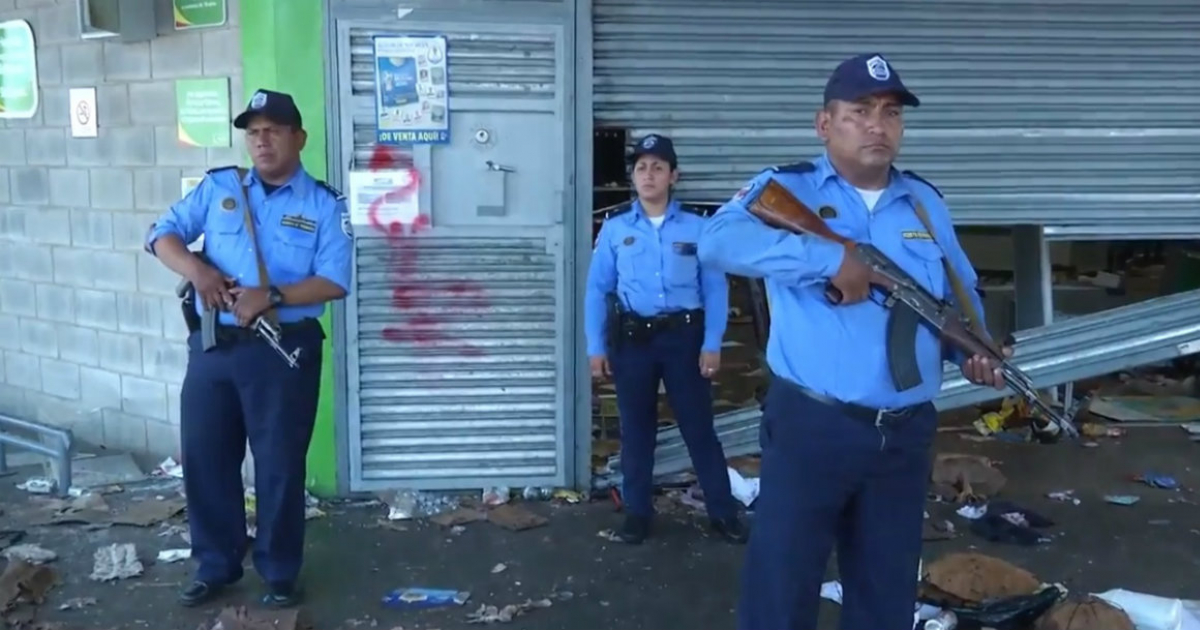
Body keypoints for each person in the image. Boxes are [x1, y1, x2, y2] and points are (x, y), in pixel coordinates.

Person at [697, 54, 1010, 630]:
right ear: (824, 124)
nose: (877, 125)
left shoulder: (922, 202)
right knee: (782, 591)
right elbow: (717, 242)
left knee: (884, 596)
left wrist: (975, 348)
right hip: (813, 428)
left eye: (891, 113)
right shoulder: (784, 187)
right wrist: (828, 257)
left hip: (904, 434)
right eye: (859, 111)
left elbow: (959, 293)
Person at [144, 89, 353, 609]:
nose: (261, 140)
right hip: (214, 348)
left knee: (279, 465)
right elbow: (161, 234)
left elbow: (335, 280)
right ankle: (216, 564)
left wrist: (273, 296)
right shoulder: (220, 189)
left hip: (283, 351)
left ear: (298, 138)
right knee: (206, 458)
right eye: (253, 131)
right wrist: (199, 270)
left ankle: (279, 572)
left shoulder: (324, 205)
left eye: (273, 130)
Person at [585, 133, 747, 545]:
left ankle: (723, 514)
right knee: (636, 431)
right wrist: (595, 347)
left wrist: (713, 342)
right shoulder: (615, 228)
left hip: (684, 340)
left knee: (699, 429)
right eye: (641, 167)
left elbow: (715, 287)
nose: (648, 174)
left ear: (674, 176)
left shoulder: (698, 227)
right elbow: (596, 290)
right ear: (633, 177)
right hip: (633, 342)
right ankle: (638, 515)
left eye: (658, 167)